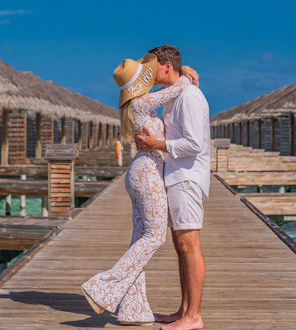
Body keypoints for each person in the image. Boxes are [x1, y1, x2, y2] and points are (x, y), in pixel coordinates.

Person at [80, 52, 197, 326]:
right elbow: (179, 86)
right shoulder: (144, 102)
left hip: (139, 173)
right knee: (155, 237)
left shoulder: (134, 104)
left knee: (140, 239)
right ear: (139, 84)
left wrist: (182, 69)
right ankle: (103, 286)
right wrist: (185, 69)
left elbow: (168, 88)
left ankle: (134, 309)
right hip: (147, 174)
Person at [136, 45, 210, 330]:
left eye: (152, 66)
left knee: (189, 245)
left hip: (187, 178)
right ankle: (185, 309)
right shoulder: (177, 93)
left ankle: (194, 316)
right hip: (176, 177)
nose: (147, 72)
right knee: (181, 246)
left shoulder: (189, 96)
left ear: (166, 66)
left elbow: (194, 144)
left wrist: (155, 145)